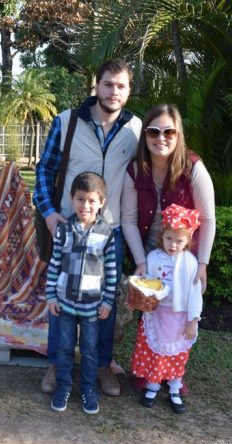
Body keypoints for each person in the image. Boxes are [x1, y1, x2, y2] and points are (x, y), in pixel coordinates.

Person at [34, 59, 142, 397]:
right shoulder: (66, 122)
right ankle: (57, 365)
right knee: (62, 299)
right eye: (108, 84)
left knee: (106, 302)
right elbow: (44, 170)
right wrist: (50, 214)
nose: (113, 91)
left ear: (129, 90)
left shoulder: (136, 129)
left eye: (121, 86)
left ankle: (102, 367)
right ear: (96, 85)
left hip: (111, 232)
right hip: (70, 229)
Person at [121, 103, 216, 395]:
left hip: (183, 255)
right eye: (153, 131)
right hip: (150, 250)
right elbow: (128, 219)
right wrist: (140, 261)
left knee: (180, 314)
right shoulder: (135, 169)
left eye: (168, 132)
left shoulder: (193, 167)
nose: (160, 138)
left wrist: (202, 264)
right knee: (150, 312)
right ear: (145, 135)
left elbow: (208, 219)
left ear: (178, 135)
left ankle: (174, 373)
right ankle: (150, 370)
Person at [45, 172, 117, 414]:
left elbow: (111, 271)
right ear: (72, 198)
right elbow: (54, 264)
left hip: (92, 307)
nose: (85, 205)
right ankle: (64, 386)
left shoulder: (107, 234)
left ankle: (88, 388)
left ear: (101, 202)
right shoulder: (63, 231)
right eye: (80, 199)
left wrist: (108, 301)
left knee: (89, 350)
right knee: (65, 347)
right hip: (65, 303)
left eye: (91, 200)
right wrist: (51, 296)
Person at [130, 203, 203, 414]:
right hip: (157, 313)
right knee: (156, 352)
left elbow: (195, 293)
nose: (173, 244)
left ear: (188, 241)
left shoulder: (190, 262)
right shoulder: (153, 258)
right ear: (162, 235)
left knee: (177, 353)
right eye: (169, 238)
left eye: (179, 241)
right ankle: (152, 385)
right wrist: (140, 292)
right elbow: (148, 282)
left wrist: (193, 320)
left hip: (179, 317)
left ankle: (174, 388)